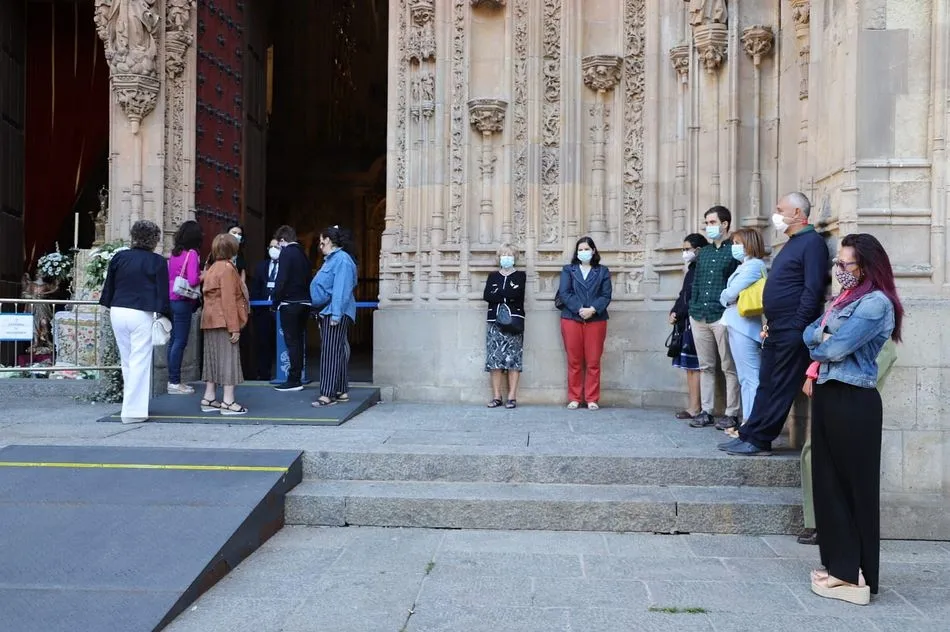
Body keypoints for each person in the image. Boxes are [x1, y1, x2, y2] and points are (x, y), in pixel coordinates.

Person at [802, 233, 902, 605]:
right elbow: (809, 333)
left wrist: (821, 340)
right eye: (838, 264)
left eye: (845, 264)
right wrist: (821, 339)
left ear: (866, 267)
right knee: (827, 483)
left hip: (853, 398)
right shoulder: (845, 299)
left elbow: (837, 347)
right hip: (830, 392)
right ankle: (837, 565)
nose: (838, 270)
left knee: (849, 486)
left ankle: (852, 572)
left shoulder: (876, 304)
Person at [721, 192, 830, 456]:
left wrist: (798, 323)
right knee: (766, 381)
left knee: (780, 385)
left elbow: (812, 288)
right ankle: (749, 433)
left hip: (792, 328)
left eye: (781, 209)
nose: (776, 214)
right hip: (777, 326)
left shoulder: (812, 243)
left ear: (797, 214)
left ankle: (761, 440)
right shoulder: (792, 242)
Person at [98, 220, 170, 424]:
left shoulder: (119, 257)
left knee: (127, 360)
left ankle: (130, 406)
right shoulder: (157, 261)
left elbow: (108, 287)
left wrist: (110, 305)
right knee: (140, 360)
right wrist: (165, 315)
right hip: (141, 313)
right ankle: (133, 411)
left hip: (118, 310)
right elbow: (162, 293)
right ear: (154, 239)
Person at [687, 206, 740, 428]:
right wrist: (693, 307)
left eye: (711, 222)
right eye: (707, 223)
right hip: (699, 315)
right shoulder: (704, 253)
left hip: (722, 316)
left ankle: (732, 412)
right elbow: (696, 282)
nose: (708, 227)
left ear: (725, 223)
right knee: (706, 366)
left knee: (729, 366)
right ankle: (706, 411)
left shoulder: (735, 251)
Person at [718, 227, 767, 429]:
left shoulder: (754, 265)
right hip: (737, 322)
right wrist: (727, 295)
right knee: (745, 377)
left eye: (738, 243)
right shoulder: (746, 265)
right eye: (734, 243)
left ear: (749, 244)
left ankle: (751, 423)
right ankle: (748, 421)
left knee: (750, 377)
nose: (735, 247)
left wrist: (726, 295)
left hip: (744, 324)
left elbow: (730, 293)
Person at [558, 236, 612, 410]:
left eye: (586, 249)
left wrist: (593, 309)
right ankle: (574, 397)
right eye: (580, 250)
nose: (583, 252)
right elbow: (564, 293)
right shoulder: (569, 270)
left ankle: (591, 398)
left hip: (596, 320)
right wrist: (580, 309)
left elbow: (606, 295)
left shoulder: (602, 271)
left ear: (593, 251)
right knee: (574, 361)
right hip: (571, 318)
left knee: (593, 361)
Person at [199, 233, 249, 415]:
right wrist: (234, 327)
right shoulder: (228, 269)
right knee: (229, 360)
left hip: (209, 319)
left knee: (211, 359)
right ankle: (228, 401)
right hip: (223, 320)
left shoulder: (211, 268)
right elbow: (228, 300)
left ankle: (209, 397)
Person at [309, 226, 359, 407]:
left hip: (333, 312)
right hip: (329, 311)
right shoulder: (333, 260)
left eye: (321, 240)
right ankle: (340, 389)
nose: (319, 244)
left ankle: (327, 394)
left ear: (328, 240)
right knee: (336, 352)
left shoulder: (341, 261)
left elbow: (341, 289)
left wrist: (336, 315)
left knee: (330, 353)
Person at [669, 233, 708, 419]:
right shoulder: (692, 268)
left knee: (696, 366)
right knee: (690, 367)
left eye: (687, 249)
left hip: (696, 321)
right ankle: (693, 406)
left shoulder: (702, 268)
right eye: (683, 249)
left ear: (698, 250)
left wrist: (680, 312)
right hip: (686, 323)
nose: (685, 252)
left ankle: (698, 407)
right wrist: (674, 311)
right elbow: (683, 294)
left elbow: (694, 296)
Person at [483, 243, 526, 409]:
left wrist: (499, 293)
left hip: (514, 322)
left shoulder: (520, 276)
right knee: (495, 360)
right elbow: (487, 295)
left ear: (515, 257)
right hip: (495, 322)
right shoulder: (493, 276)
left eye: (509, 255)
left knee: (513, 359)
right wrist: (507, 293)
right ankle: (496, 396)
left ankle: (512, 396)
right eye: (503, 255)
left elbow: (517, 294)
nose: (506, 258)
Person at [272, 224, 312, 392]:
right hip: (304, 303)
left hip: (290, 304)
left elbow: (282, 279)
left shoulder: (287, 253)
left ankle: (294, 379)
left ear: (282, 240)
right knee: (299, 341)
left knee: (292, 342)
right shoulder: (303, 253)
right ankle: (297, 376)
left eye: (278, 244)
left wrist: (275, 300)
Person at [166, 220, 203, 394]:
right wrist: (205, 275)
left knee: (174, 340)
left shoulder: (174, 253)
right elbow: (193, 280)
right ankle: (174, 382)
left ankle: (172, 379)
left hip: (171, 298)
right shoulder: (192, 254)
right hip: (183, 300)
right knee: (180, 341)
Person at [249, 238, 281, 380]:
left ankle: (284, 374)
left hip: (280, 311)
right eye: (271, 246)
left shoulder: (287, 266)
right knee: (263, 343)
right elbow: (255, 287)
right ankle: (263, 374)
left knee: (280, 342)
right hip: (263, 311)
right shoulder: (261, 266)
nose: (273, 249)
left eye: (277, 247)